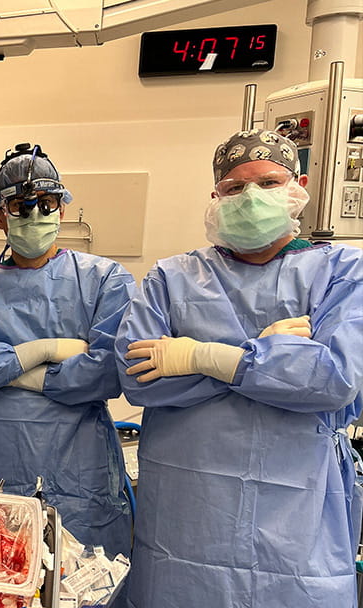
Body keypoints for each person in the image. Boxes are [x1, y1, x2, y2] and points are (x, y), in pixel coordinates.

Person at [116, 129, 363, 608]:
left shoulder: (342, 272)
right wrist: (269, 356)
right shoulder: (172, 277)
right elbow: (136, 376)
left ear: (299, 185)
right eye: (234, 188)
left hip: (296, 517)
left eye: (268, 183)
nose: (250, 198)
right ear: (215, 197)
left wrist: (201, 355)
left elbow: (334, 379)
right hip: (186, 521)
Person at [0, 143, 134, 560]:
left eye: (47, 203)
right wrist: (46, 351)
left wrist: (4, 367)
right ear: (0, 216)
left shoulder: (104, 280)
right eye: (21, 205)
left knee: (79, 581)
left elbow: (111, 369)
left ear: (62, 209)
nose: (35, 214)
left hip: (76, 473)